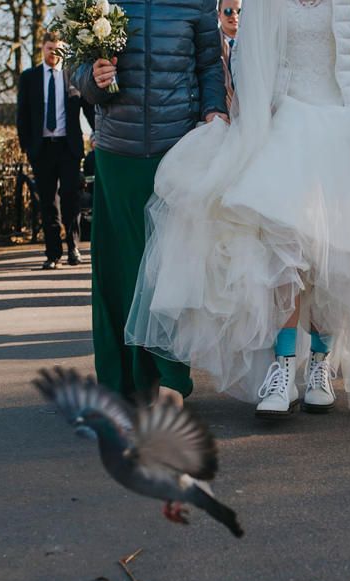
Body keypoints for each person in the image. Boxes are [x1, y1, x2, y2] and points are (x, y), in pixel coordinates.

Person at [125, 0, 350, 418]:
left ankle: (320, 364)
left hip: (344, 127)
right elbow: (247, 51)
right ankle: (282, 369)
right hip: (285, 127)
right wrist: (252, 113)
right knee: (287, 252)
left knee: (335, 252)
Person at [72, 0, 227, 406]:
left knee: (169, 268)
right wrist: (93, 79)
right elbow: (78, 67)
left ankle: (170, 378)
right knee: (119, 267)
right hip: (116, 153)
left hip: (175, 152)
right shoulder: (101, 2)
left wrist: (214, 110)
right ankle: (120, 379)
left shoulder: (197, 3)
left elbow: (210, 65)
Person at [17, 33, 95, 269]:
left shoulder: (74, 76)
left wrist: (96, 131)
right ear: (42, 48)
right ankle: (52, 253)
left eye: (58, 49)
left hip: (68, 147)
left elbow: (89, 108)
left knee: (71, 198)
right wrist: (27, 147)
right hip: (42, 149)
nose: (53, 53)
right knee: (48, 202)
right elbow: (23, 114)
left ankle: (73, 248)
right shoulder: (30, 78)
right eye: (50, 48)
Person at [219, 0, 242, 110]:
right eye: (228, 11)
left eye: (239, 11)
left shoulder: (254, 43)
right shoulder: (209, 43)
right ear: (218, 14)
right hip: (221, 110)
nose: (235, 16)